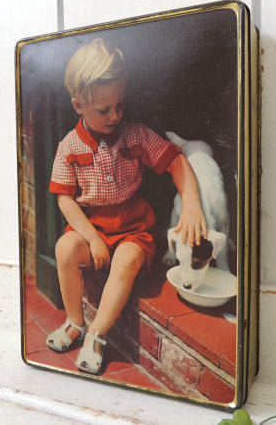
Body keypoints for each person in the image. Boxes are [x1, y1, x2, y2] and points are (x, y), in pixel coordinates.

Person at [46, 37, 207, 374]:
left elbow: (176, 161)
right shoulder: (69, 146)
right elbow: (64, 199)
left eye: (120, 105)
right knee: (64, 248)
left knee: (128, 258)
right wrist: (91, 238)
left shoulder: (134, 135)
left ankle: (97, 334)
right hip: (91, 228)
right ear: (78, 106)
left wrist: (192, 204)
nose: (115, 115)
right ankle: (75, 322)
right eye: (104, 110)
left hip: (133, 229)